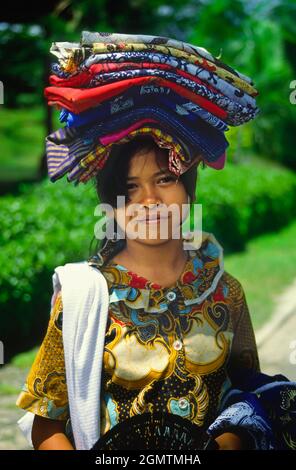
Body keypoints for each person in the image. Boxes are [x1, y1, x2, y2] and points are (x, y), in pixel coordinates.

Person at [17, 135, 296, 451]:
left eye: (164, 179)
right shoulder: (83, 298)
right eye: (130, 187)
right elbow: (46, 426)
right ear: (111, 207)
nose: (149, 201)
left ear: (189, 190)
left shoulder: (225, 291)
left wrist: (233, 440)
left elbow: (248, 396)